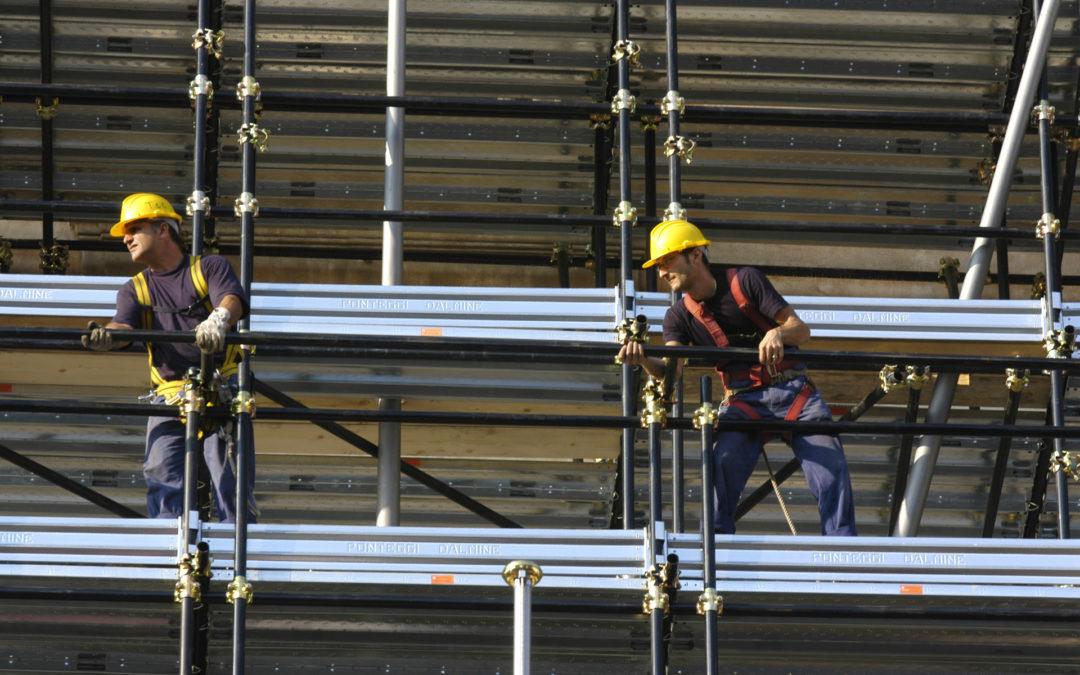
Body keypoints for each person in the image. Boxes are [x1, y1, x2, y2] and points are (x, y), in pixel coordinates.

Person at [619, 218, 856, 536]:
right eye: (659, 264)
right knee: (719, 472)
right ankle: (714, 559)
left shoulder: (745, 281)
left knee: (831, 470)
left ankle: (841, 553)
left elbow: (801, 330)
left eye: (667, 260)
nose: (661, 272)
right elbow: (671, 372)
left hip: (793, 391)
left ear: (696, 255)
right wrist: (644, 360)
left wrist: (778, 333)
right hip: (743, 401)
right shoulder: (678, 317)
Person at [81, 192, 257, 523]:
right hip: (170, 394)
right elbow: (124, 325)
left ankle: (236, 549)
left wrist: (218, 319)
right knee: (161, 470)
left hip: (220, 386)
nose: (127, 239)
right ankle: (170, 554)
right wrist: (108, 336)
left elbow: (231, 300)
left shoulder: (208, 267)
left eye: (134, 229)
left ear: (163, 229)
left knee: (228, 474)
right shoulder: (135, 289)